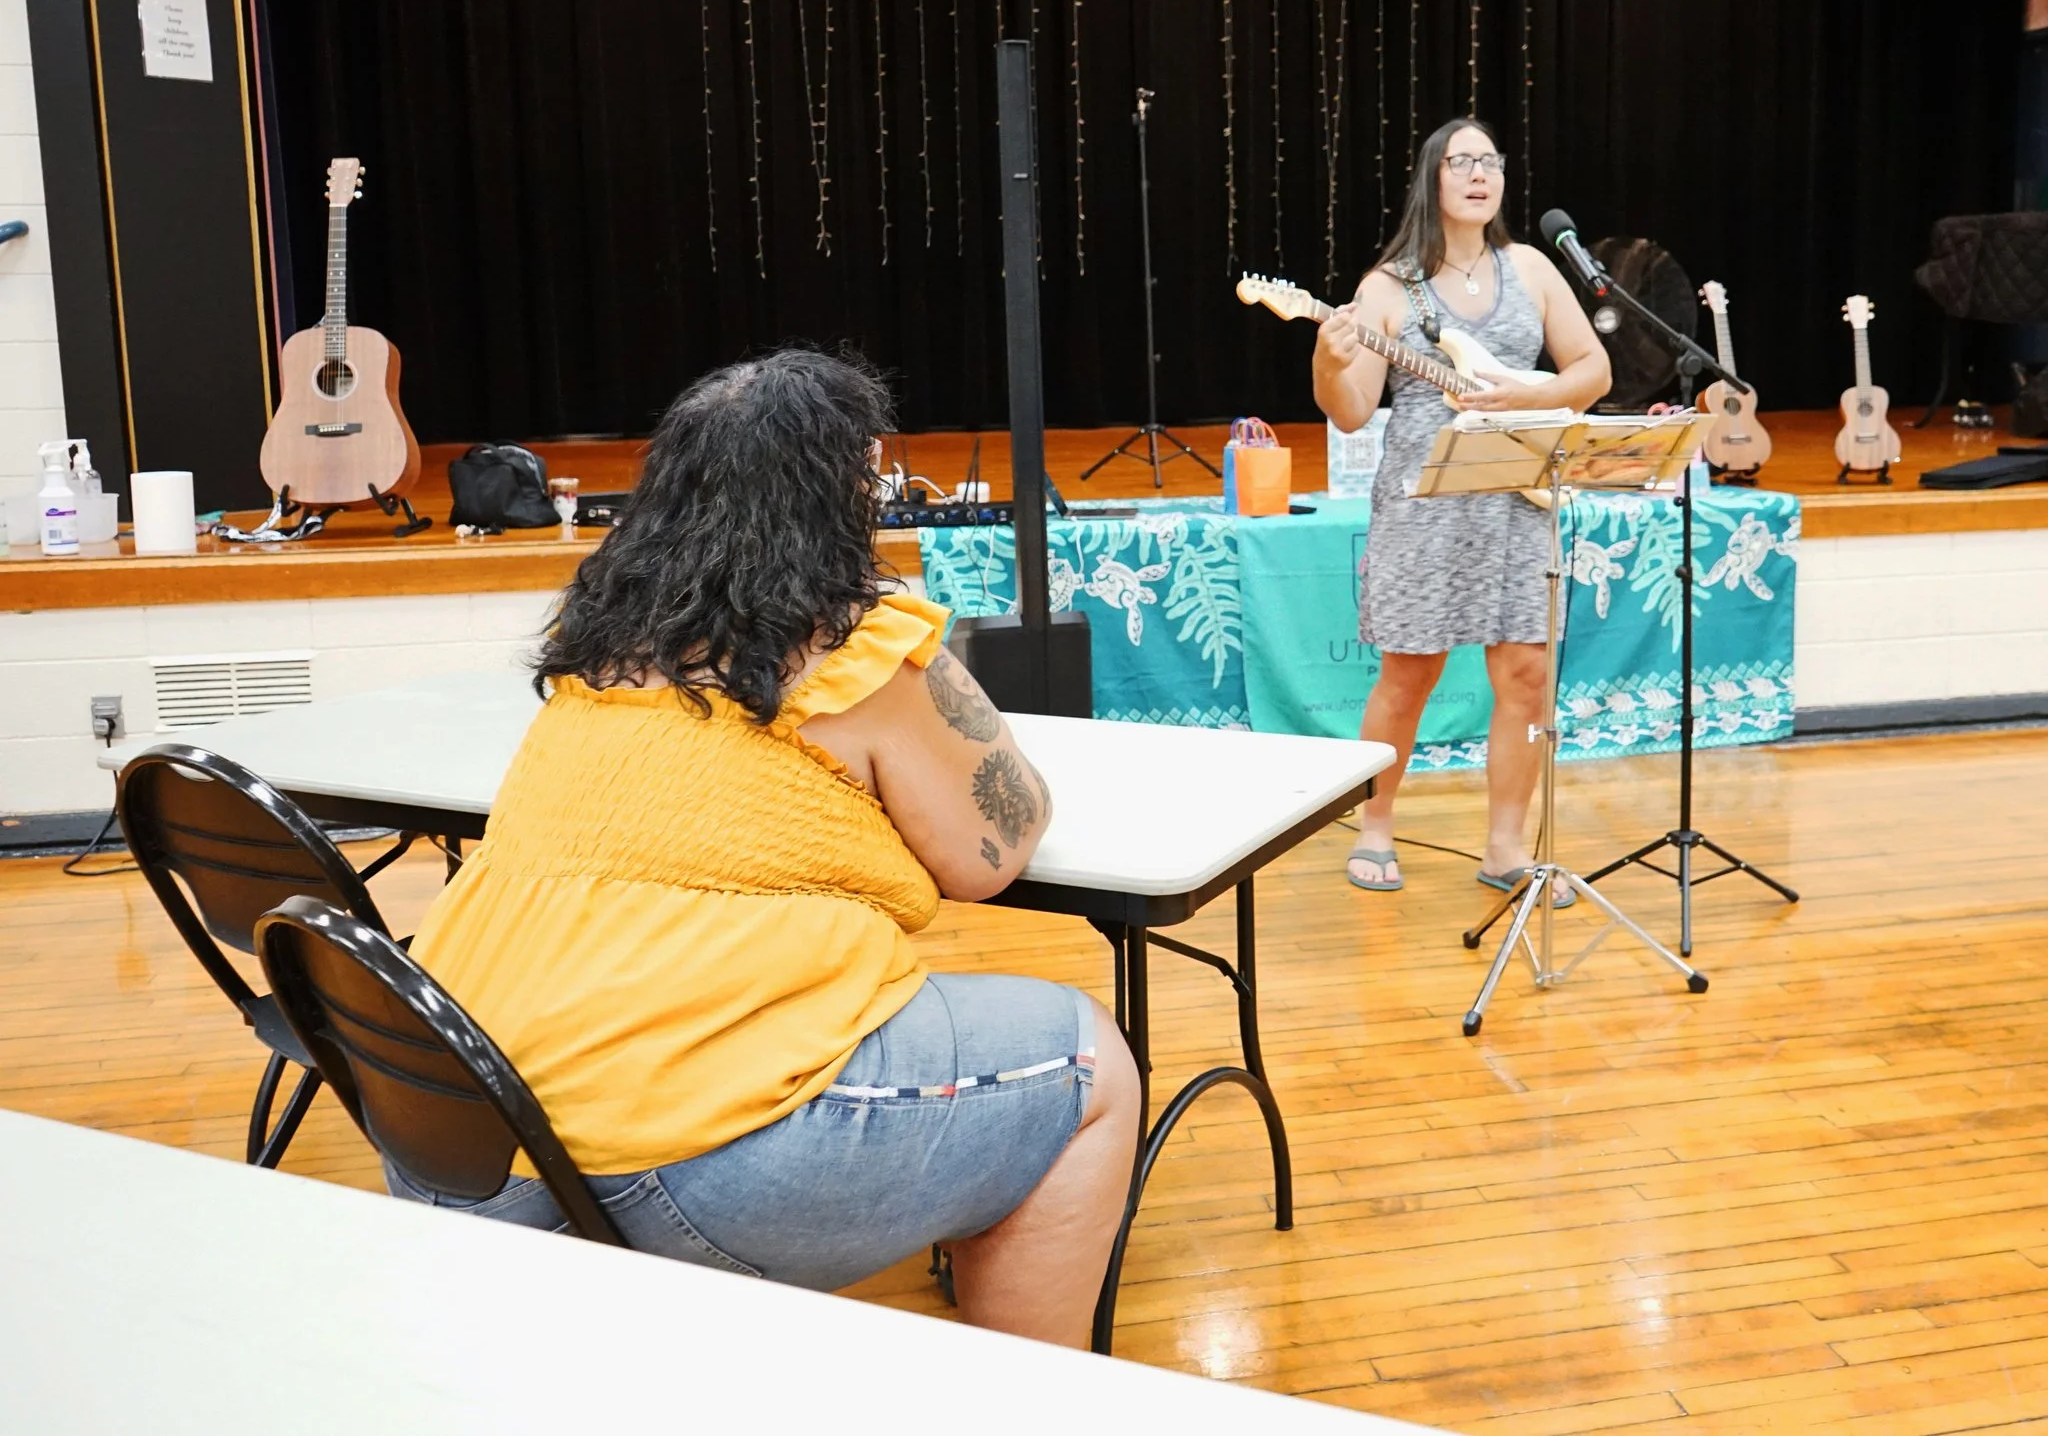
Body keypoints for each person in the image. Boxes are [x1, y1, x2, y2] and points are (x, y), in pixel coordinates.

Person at [397, 347, 1138, 1350]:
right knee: (1089, 1061)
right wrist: (903, 642)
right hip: (673, 1164)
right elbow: (991, 851)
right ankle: (1029, 1397)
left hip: (456, 1132)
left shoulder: (597, 638)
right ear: (842, 497)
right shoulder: (854, 648)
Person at [1311, 117, 1610, 895]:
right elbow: (1350, 410)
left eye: (1490, 161)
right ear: (1431, 179)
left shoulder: (1532, 269)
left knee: (1526, 676)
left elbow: (1594, 369)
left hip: (1518, 500)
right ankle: (1375, 826)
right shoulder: (1387, 287)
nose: (1479, 174)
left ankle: (1506, 847)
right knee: (1408, 676)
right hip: (1424, 509)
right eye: (1461, 162)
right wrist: (1327, 361)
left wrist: (1531, 395)